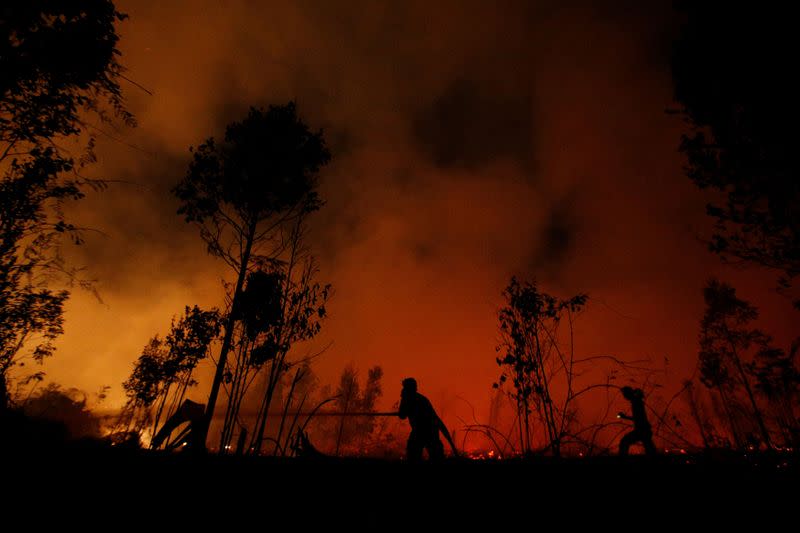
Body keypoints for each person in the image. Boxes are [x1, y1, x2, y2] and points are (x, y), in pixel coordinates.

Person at [398, 377, 458, 461]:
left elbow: (402, 415)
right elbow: (403, 415)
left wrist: (403, 400)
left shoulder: (409, 398)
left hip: (425, 431)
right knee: (422, 455)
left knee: (417, 456)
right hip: (428, 431)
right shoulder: (422, 399)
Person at [617, 386, 657, 456]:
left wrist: (625, 417)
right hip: (644, 430)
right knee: (650, 449)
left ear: (628, 394)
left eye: (625, 394)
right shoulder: (636, 401)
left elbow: (638, 417)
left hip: (642, 430)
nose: (624, 397)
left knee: (624, 442)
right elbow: (638, 417)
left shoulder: (636, 402)